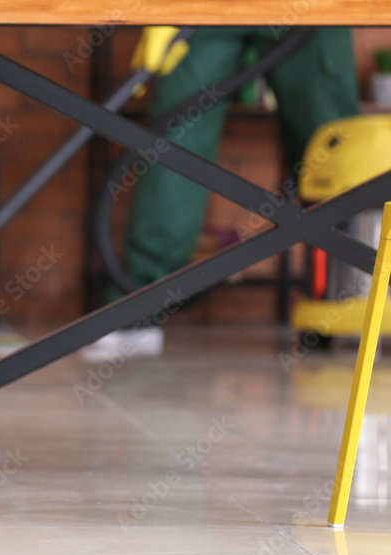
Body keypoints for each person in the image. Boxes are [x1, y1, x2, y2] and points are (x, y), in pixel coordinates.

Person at [83, 27, 358, 362]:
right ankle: (138, 305)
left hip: (314, 11)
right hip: (207, 10)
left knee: (334, 148)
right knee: (175, 139)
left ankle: (352, 300)